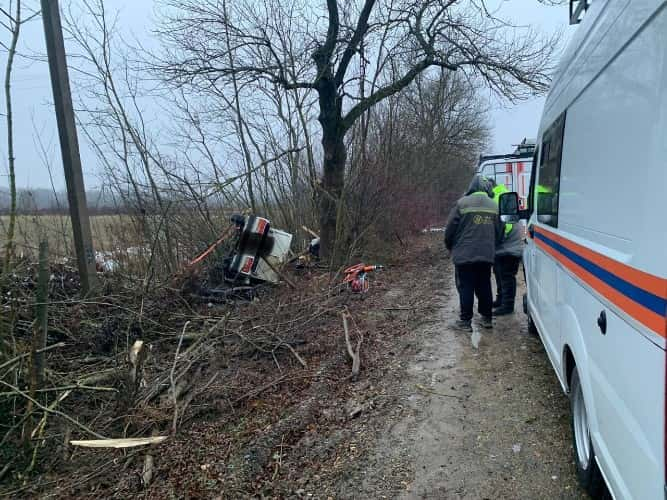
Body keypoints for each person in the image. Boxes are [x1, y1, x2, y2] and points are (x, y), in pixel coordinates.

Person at [444, 175, 503, 331]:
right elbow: (499, 231)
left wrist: (450, 246)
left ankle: (465, 322)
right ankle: (487, 318)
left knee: (466, 287)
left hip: (464, 254)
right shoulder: (494, 205)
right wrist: (491, 246)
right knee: (484, 285)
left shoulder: (462, 203)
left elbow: (450, 230)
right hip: (486, 254)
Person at [491, 183, 524, 315]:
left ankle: (507, 306)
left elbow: (506, 223)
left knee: (506, 277)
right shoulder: (501, 194)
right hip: (507, 246)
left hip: (508, 247)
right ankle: (501, 300)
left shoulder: (496, 197)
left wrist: (498, 238)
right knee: (499, 274)